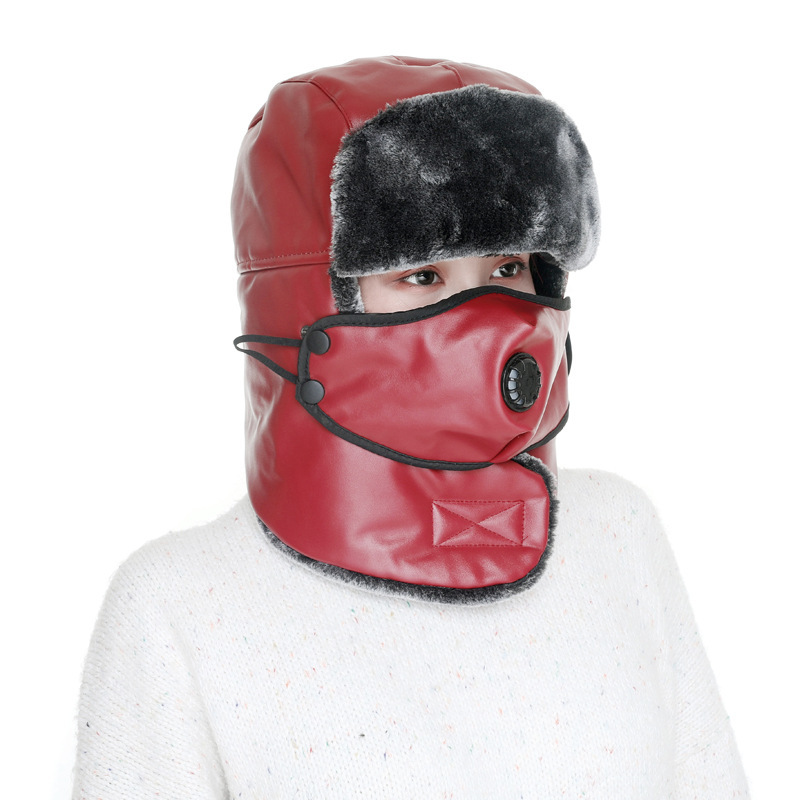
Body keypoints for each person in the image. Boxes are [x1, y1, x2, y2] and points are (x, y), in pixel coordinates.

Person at [72, 56, 749, 797]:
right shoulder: (175, 607)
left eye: (509, 269)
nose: (488, 321)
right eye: (422, 276)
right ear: (306, 302)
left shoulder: (619, 532)